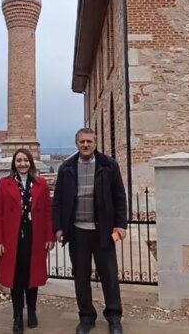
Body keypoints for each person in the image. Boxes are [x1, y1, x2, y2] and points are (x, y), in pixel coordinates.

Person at [53, 128, 127, 334]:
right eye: (81, 141)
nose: (85, 145)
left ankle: (114, 317)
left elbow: (120, 196)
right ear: (76, 144)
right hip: (77, 232)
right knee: (81, 277)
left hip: (102, 231)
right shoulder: (66, 167)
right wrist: (58, 227)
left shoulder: (108, 165)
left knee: (109, 276)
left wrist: (121, 224)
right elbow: (58, 200)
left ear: (95, 143)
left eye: (89, 141)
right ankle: (86, 317)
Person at [0, 148, 55, 333]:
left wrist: (50, 236)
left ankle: (32, 310)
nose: (22, 164)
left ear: (31, 163)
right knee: (16, 278)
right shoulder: (5, 184)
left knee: (32, 276)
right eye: (19, 161)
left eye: (25, 160)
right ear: (14, 164)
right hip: (12, 238)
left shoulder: (41, 184)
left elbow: (48, 212)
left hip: (35, 236)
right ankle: (17, 315)